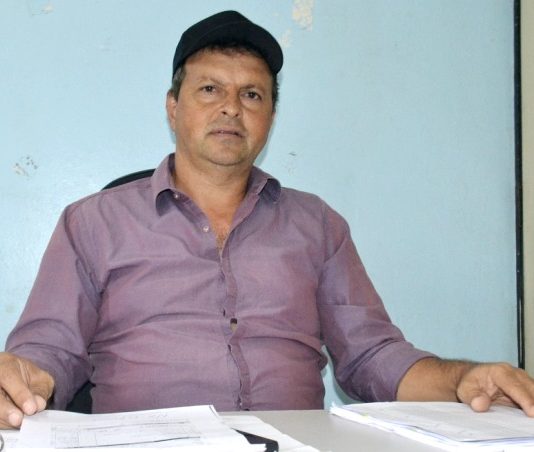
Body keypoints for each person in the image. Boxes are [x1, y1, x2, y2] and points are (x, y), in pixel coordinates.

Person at [1, 10, 534, 430]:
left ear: (270, 117)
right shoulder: (93, 223)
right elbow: (49, 350)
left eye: (251, 94)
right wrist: (23, 378)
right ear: (173, 107)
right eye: (210, 89)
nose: (231, 108)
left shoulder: (317, 224)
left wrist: (463, 378)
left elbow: (372, 356)